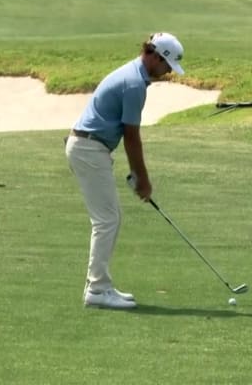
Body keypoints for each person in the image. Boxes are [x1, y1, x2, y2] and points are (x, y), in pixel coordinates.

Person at [65, 32, 186, 310]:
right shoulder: (134, 85)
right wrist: (142, 179)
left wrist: (137, 175)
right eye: (167, 67)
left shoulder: (133, 75)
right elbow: (132, 137)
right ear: (156, 57)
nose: (168, 73)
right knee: (106, 220)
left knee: (110, 218)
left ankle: (100, 285)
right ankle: (97, 290)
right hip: (88, 149)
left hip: (90, 148)